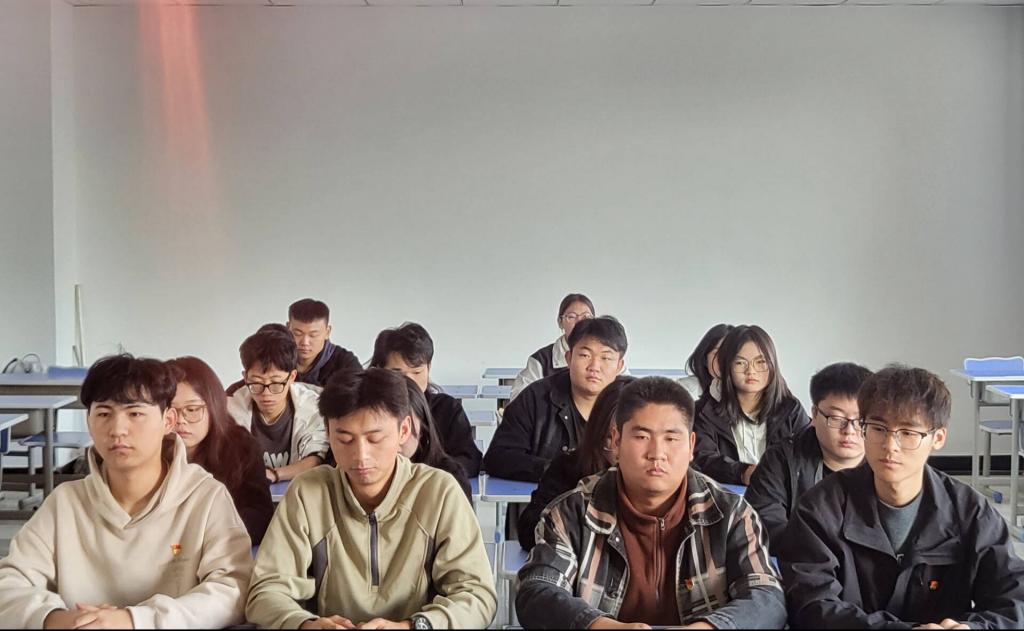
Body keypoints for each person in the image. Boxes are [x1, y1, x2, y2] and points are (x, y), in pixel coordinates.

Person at [0, 354, 252, 629]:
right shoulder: (65, 503)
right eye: (104, 414)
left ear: (168, 421)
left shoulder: (205, 498)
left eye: (135, 414)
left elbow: (233, 590)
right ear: (88, 421)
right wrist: (56, 619)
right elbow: (9, 583)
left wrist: (134, 621)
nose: (118, 429)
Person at [516, 377, 786, 629]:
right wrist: (599, 626)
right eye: (642, 437)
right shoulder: (571, 513)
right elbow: (537, 590)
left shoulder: (731, 513)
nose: (657, 453)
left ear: (691, 445)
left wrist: (710, 627)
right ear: (617, 440)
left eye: (671, 438)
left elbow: (767, 597)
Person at [245, 368, 497, 629]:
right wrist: (304, 624)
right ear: (327, 433)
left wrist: (414, 626)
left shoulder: (439, 492)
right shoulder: (307, 493)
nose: (361, 456)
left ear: (403, 431)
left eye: (375, 439)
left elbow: (477, 596)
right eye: (345, 439)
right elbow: (266, 591)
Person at [780, 365, 1024, 629]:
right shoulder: (821, 508)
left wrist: (971, 628)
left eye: (908, 433)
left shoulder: (971, 512)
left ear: (938, 438)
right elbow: (811, 606)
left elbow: (1014, 601)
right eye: (878, 429)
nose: (890, 446)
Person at [484, 316, 627, 482]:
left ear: (619, 366)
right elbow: (498, 457)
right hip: (548, 496)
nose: (594, 366)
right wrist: (558, 471)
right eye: (585, 355)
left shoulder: (635, 404)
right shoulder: (535, 399)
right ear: (568, 358)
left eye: (606, 358)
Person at [745, 362, 872, 550]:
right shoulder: (781, 459)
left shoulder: (887, 463)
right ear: (814, 414)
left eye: (860, 420)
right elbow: (765, 526)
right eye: (836, 418)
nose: (849, 430)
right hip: (800, 562)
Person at [167, 356, 276, 545]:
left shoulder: (242, 448)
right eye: (170, 411)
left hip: (220, 546)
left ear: (213, 406)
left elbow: (260, 516)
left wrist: (205, 532)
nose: (180, 421)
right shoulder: (147, 450)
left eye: (192, 409)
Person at [516, 376, 633, 550]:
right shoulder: (568, 468)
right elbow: (529, 530)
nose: (620, 450)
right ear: (597, 434)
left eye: (636, 438)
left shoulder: (663, 480)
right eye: (610, 438)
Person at [693, 325, 808, 485]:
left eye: (760, 362)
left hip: (781, 497)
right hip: (724, 497)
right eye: (740, 363)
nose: (751, 371)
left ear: (773, 365)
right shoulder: (703, 412)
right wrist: (743, 473)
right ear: (726, 366)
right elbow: (702, 460)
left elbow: (808, 459)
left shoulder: (790, 409)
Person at [370, 322, 481, 476]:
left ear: (429, 367)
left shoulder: (447, 409)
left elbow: (470, 460)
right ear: (379, 370)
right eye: (397, 374)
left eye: (417, 372)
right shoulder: (366, 412)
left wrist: (426, 476)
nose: (408, 381)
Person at [227, 327, 328, 482]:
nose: (266, 394)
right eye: (257, 383)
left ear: (292, 376)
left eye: (275, 383)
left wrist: (274, 475)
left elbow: (315, 460)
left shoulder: (313, 406)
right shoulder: (230, 408)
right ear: (245, 377)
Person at [510, 293, 596, 401]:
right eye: (571, 317)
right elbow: (519, 399)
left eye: (586, 317)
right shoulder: (541, 360)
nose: (579, 322)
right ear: (560, 322)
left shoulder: (604, 356)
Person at [401, 375, 473, 500]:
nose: (396, 438)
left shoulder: (448, 480)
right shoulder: (366, 476)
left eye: (404, 428)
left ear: (422, 428)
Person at [287, 298, 362, 387]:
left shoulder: (345, 363)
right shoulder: (276, 357)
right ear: (288, 328)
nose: (305, 342)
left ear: (327, 332)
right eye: (297, 334)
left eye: (313, 335)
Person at [677, 323, 733, 412]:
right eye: (717, 353)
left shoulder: (750, 392)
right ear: (705, 358)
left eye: (730, 353)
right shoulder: (684, 390)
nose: (723, 359)